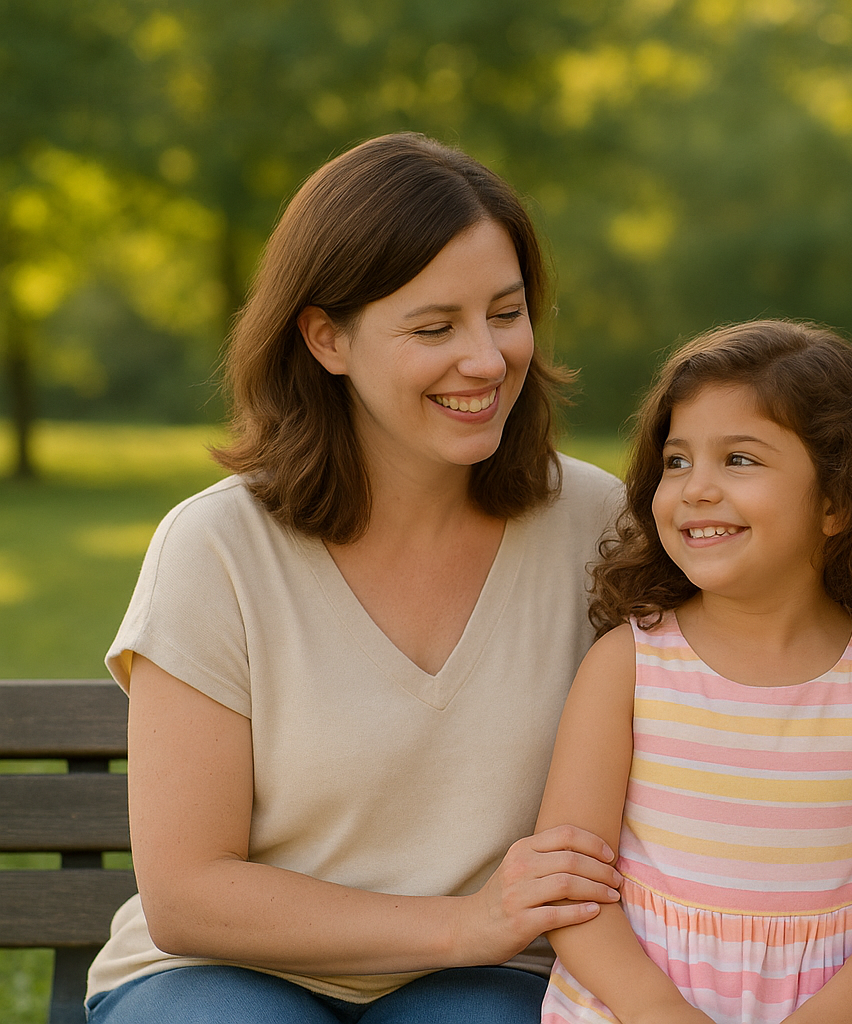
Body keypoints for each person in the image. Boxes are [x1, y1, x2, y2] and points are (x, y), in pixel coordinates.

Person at [86, 134, 626, 1024]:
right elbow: (187, 894)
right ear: (326, 337)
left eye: (505, 312)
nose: (487, 360)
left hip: (490, 983)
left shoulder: (600, 530)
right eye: (434, 327)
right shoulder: (216, 547)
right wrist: (462, 924)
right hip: (219, 974)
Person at [535, 320, 852, 1024]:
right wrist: (661, 1014)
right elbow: (570, 883)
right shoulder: (630, 665)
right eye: (676, 462)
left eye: (738, 460)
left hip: (836, 1004)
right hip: (637, 1004)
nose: (696, 488)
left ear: (837, 501)